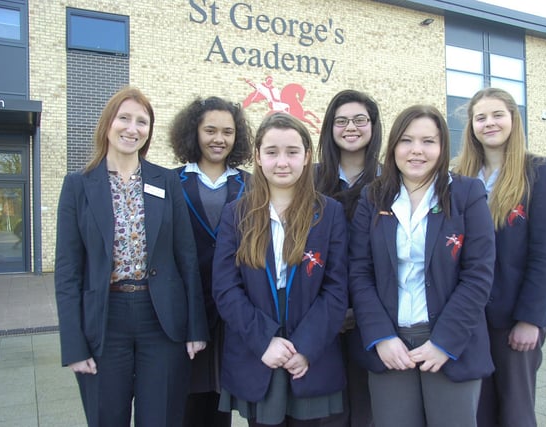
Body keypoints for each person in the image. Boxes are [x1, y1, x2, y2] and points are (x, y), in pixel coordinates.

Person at [54, 86, 208, 426]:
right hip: (105, 322)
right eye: (124, 118)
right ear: (108, 124)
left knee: (162, 418)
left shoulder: (166, 181)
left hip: (162, 322)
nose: (132, 128)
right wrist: (73, 345)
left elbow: (186, 258)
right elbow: (67, 273)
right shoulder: (78, 186)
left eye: (142, 121)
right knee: (107, 417)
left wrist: (196, 326)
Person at [349, 105, 496, 427]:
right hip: (391, 345)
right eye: (406, 140)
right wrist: (381, 337)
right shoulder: (373, 196)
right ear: (393, 148)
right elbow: (359, 272)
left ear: (442, 147)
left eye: (428, 141)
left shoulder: (467, 194)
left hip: (450, 343)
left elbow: (478, 274)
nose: (417, 150)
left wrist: (445, 341)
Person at [212, 113, 349, 427]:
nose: (282, 162)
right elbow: (225, 287)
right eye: (272, 152)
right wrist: (264, 341)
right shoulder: (236, 213)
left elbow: (336, 288)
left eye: (292, 151)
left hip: (311, 349)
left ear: (307, 157)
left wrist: (306, 347)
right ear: (258, 157)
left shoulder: (330, 213)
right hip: (258, 347)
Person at [454, 87, 546, 427]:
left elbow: (544, 253)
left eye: (497, 115)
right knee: (476, 410)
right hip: (470, 317)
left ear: (513, 119)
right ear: (471, 125)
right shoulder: (459, 176)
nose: (489, 123)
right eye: (480, 117)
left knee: (515, 412)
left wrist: (530, 318)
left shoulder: (538, 172)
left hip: (514, 318)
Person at [169, 96, 253, 427]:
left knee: (222, 403)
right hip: (187, 306)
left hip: (231, 309)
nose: (219, 139)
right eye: (210, 130)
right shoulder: (171, 182)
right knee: (187, 403)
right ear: (195, 132)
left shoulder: (250, 183)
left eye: (228, 132)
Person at [315, 89, 382, 427]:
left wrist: (359, 309)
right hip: (319, 314)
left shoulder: (390, 182)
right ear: (330, 127)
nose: (350, 127)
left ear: (373, 126)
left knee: (368, 411)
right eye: (341, 121)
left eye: (360, 120)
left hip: (374, 314)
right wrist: (332, 309)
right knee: (328, 413)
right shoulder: (310, 180)